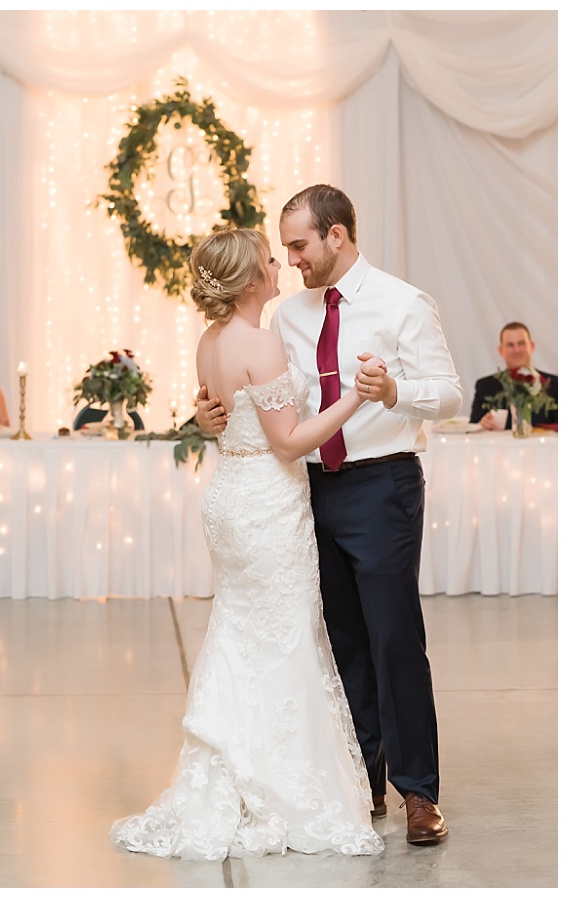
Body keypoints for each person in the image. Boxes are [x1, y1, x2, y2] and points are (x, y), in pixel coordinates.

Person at [196, 185, 460, 846]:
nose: (292, 260)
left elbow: (450, 392)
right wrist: (206, 417)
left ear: (336, 235)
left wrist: (396, 391)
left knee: (393, 634)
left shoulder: (403, 303)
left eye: (300, 245)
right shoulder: (284, 316)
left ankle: (419, 792)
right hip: (307, 485)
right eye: (283, 249)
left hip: (382, 483)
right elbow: (261, 403)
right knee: (339, 639)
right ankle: (361, 776)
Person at [111, 228, 385, 861]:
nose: (276, 265)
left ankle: (232, 764)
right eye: (269, 259)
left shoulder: (210, 342)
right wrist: (354, 398)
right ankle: (278, 783)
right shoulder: (260, 342)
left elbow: (218, 417)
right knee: (285, 634)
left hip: (229, 496)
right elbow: (289, 442)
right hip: (266, 501)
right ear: (252, 279)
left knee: (240, 630)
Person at [468, 321, 557, 429]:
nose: (517, 350)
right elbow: (472, 428)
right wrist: (481, 425)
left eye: (521, 343)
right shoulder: (485, 386)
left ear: (532, 346)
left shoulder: (556, 384)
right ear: (501, 350)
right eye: (510, 345)